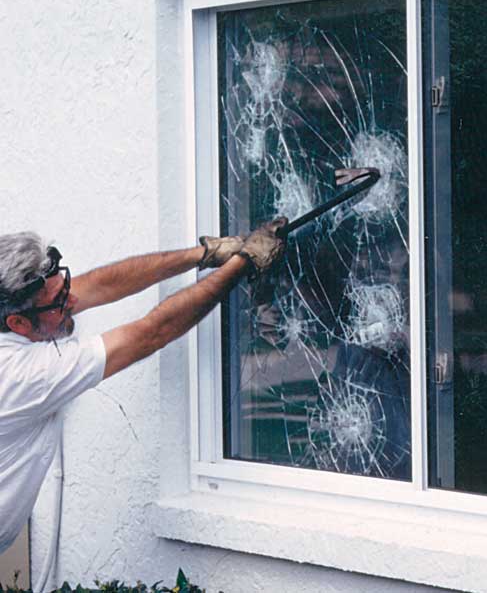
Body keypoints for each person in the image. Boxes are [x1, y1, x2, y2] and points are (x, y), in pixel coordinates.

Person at [0, 219, 287, 554]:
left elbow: (99, 285)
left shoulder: (24, 315)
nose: (73, 300)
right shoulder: (22, 375)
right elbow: (151, 332)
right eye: (60, 301)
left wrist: (205, 254)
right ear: (18, 323)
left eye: (64, 287)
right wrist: (244, 262)